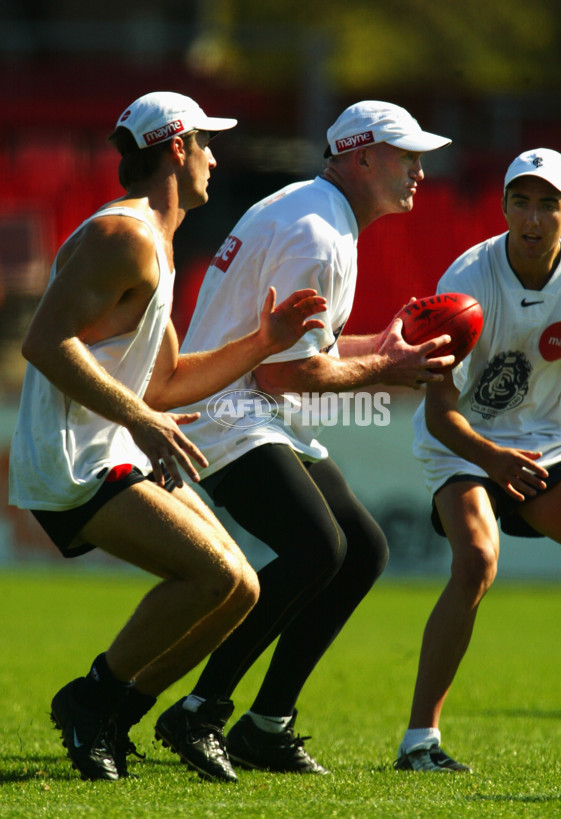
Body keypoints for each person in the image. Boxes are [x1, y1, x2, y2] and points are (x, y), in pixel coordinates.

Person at [8, 91, 328, 782]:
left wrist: (263, 341)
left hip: (113, 445)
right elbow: (43, 342)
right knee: (212, 574)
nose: (215, 157)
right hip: (74, 458)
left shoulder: (156, 241)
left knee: (240, 588)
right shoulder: (121, 236)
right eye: (207, 143)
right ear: (177, 148)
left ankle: (113, 711)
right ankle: (92, 700)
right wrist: (139, 418)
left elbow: (168, 380)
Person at [144, 100, 454, 781]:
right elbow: (289, 374)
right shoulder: (319, 231)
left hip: (245, 406)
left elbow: (306, 356)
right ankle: (199, 708)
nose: (420, 171)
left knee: (363, 549)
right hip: (225, 415)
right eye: (407, 156)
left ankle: (266, 724)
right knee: (320, 546)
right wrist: (390, 368)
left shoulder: (314, 213)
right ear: (362, 156)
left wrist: (384, 347)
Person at [395, 148, 561, 773]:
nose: (532, 218)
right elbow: (439, 413)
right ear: (505, 206)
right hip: (464, 442)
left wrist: (521, 459)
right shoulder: (468, 278)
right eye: (520, 201)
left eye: (547, 205)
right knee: (478, 560)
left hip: (550, 442)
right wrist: (495, 460)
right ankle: (419, 741)